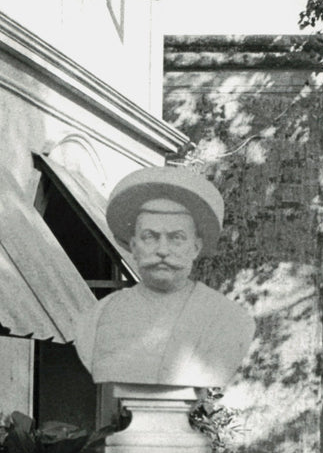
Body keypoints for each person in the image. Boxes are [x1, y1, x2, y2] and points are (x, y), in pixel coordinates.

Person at [76, 166, 255, 388]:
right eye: (150, 237)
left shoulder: (229, 319)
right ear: (133, 246)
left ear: (196, 248)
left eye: (176, 238)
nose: (162, 250)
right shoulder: (95, 319)